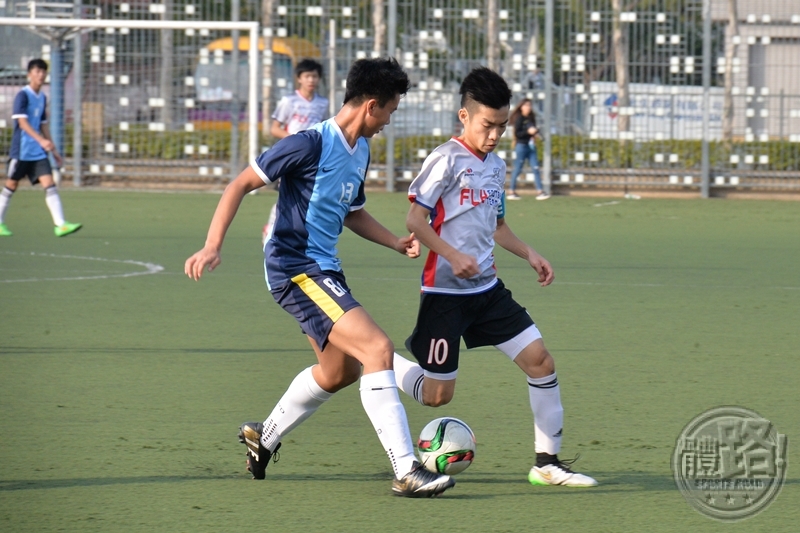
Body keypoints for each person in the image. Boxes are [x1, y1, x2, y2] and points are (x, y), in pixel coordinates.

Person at [184, 57, 455, 498]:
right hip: (295, 269)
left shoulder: (361, 150)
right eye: (390, 111)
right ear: (371, 106)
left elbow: (352, 212)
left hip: (323, 270)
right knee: (377, 347)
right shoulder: (308, 144)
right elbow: (239, 185)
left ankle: (264, 436)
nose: (390, 120)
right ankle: (406, 469)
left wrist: (393, 241)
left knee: (337, 372)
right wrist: (213, 244)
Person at [393, 67, 597, 488]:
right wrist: (451, 254)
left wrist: (529, 253)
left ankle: (547, 463)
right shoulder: (444, 159)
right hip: (444, 293)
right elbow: (415, 218)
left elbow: (497, 226)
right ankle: (376, 363)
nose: (495, 135)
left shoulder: (497, 166)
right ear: (464, 117)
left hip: (487, 291)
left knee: (540, 361)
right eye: (488, 125)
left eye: (502, 127)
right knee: (436, 397)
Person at [0, 59, 82, 237]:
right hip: (22, 151)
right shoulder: (23, 95)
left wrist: (54, 150)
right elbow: (22, 122)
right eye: (37, 72)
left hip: (37, 153)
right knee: (11, 185)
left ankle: (60, 225)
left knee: (49, 184)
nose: (41, 75)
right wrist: (40, 140)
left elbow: (43, 124)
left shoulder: (42, 97)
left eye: (43, 72)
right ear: (29, 74)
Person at [261, 59, 330, 244]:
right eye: (307, 76)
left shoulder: (323, 103)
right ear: (299, 78)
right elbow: (274, 128)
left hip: (313, 157)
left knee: (311, 196)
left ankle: (305, 237)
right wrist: (294, 141)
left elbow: (325, 129)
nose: (311, 80)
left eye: (315, 76)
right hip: (292, 156)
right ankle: (270, 228)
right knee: (287, 194)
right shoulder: (289, 101)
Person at [507, 98, 548, 200]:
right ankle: (511, 191)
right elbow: (518, 134)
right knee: (518, 168)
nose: (528, 108)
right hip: (521, 146)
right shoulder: (519, 119)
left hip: (531, 146)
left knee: (536, 168)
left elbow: (533, 129)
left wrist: (536, 133)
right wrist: (527, 132)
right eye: (526, 105)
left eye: (529, 105)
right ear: (521, 107)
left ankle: (540, 191)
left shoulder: (531, 118)